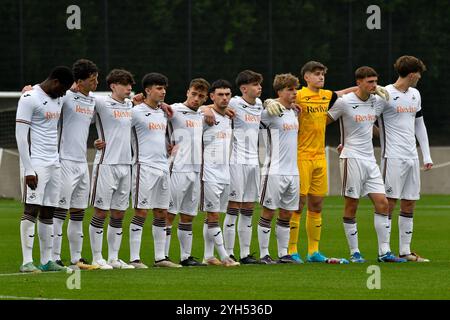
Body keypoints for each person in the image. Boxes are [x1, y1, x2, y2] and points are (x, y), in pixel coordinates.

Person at [267, 61, 387, 263]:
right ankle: (292, 250)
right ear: (306, 77)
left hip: (320, 157)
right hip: (300, 156)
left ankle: (313, 252)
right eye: (316, 74)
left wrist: (374, 88)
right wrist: (268, 102)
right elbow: (278, 99)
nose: (321, 77)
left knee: (316, 204)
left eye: (322, 74)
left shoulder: (326, 96)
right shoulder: (299, 94)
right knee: (298, 204)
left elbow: (342, 93)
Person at [327, 66, 406, 263]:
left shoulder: (377, 101)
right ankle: (354, 252)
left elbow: (371, 126)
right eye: (370, 82)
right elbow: (322, 122)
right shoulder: (345, 103)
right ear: (359, 82)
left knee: (383, 203)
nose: (374, 85)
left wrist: (391, 138)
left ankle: (384, 252)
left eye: (375, 81)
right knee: (351, 204)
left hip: (370, 160)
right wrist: (340, 143)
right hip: (351, 158)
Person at [16, 66, 74, 272]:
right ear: (56, 82)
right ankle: (26, 261)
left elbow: (81, 91)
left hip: (54, 162)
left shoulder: (58, 97)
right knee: (31, 208)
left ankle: (47, 260)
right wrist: (29, 169)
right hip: (36, 163)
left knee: (49, 210)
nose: (65, 93)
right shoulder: (29, 98)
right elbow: (21, 137)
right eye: (64, 88)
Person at [378, 55, 432, 262]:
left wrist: (425, 155)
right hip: (392, 157)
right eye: (419, 73)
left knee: (409, 203)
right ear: (412, 74)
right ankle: (384, 252)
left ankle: (405, 251)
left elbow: (419, 124)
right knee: (389, 203)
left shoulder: (415, 94)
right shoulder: (385, 93)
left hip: (411, 157)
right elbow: (367, 120)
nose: (419, 77)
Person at [48, 59, 99, 270]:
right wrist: (28, 88)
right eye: (92, 80)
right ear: (79, 81)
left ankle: (76, 258)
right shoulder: (65, 97)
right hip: (64, 161)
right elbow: (41, 91)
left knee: (78, 212)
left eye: (97, 78)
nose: (96, 82)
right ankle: (54, 257)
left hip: (81, 162)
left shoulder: (94, 101)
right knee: (60, 211)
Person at [129, 73, 181, 268]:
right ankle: (134, 258)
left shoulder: (163, 112)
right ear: (147, 90)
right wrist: (101, 142)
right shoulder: (135, 111)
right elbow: (117, 129)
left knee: (161, 212)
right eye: (159, 88)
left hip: (162, 167)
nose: (163, 91)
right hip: (143, 166)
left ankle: (160, 258)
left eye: (164, 88)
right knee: (141, 211)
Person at [89, 69, 135, 269]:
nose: (129, 88)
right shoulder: (99, 102)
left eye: (130, 84)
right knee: (101, 212)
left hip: (126, 165)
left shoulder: (131, 105)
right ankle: (97, 257)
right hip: (106, 164)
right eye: (125, 84)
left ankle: (114, 258)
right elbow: (79, 116)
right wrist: (95, 140)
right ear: (113, 85)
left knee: (119, 213)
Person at [165, 78, 210, 267]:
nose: (196, 99)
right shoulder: (174, 110)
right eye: (194, 94)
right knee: (169, 213)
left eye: (201, 96)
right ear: (187, 92)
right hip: (177, 168)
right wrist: (164, 145)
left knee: (188, 215)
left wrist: (207, 109)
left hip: (195, 170)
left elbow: (215, 108)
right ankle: (163, 256)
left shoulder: (202, 114)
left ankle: (186, 257)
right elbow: (154, 113)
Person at [258, 73, 301, 264]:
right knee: (268, 211)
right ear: (279, 92)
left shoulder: (294, 111)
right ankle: (264, 253)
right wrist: (267, 102)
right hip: (274, 170)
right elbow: (254, 116)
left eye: (295, 89)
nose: (294, 93)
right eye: (289, 89)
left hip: (293, 171)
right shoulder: (270, 112)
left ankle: (284, 253)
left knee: (287, 213)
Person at [222, 70, 263, 264]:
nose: (259, 87)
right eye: (255, 84)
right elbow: (211, 107)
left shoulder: (261, 104)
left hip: (254, 163)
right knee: (233, 207)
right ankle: (229, 253)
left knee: (248, 208)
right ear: (244, 88)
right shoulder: (235, 103)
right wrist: (207, 110)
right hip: (236, 162)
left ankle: (245, 253)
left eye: (259, 84)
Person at [200, 79, 240, 267]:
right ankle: (225, 257)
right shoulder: (205, 115)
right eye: (220, 95)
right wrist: (205, 108)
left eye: (227, 95)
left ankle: (208, 256)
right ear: (212, 96)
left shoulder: (228, 117)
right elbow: (192, 111)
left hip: (225, 174)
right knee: (213, 216)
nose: (224, 98)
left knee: (213, 217)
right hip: (208, 173)